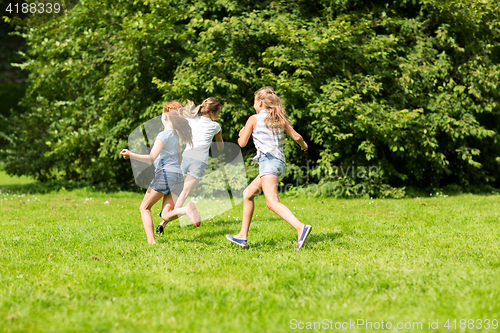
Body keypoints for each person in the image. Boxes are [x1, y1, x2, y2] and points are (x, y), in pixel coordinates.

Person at [226, 87, 312, 250]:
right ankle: (242, 236)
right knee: (247, 194)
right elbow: (297, 136)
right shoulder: (279, 118)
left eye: (254, 102)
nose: (254, 106)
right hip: (279, 163)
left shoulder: (253, 119)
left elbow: (242, 143)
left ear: (259, 102)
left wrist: (242, 133)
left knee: (272, 203)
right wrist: (304, 146)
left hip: (268, 162)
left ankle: (301, 227)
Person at [120, 101, 200, 244]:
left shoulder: (163, 135)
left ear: (165, 116)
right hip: (177, 176)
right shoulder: (176, 136)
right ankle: (185, 210)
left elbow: (151, 157)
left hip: (165, 175)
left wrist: (131, 155)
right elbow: (179, 157)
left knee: (144, 207)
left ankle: (152, 242)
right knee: (166, 214)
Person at [155, 97, 224, 233]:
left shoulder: (192, 119)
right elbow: (220, 148)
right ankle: (165, 221)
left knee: (177, 190)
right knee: (184, 193)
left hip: (186, 157)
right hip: (199, 161)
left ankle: (163, 221)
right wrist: (219, 134)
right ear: (212, 113)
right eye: (218, 113)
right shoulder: (216, 126)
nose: (218, 116)